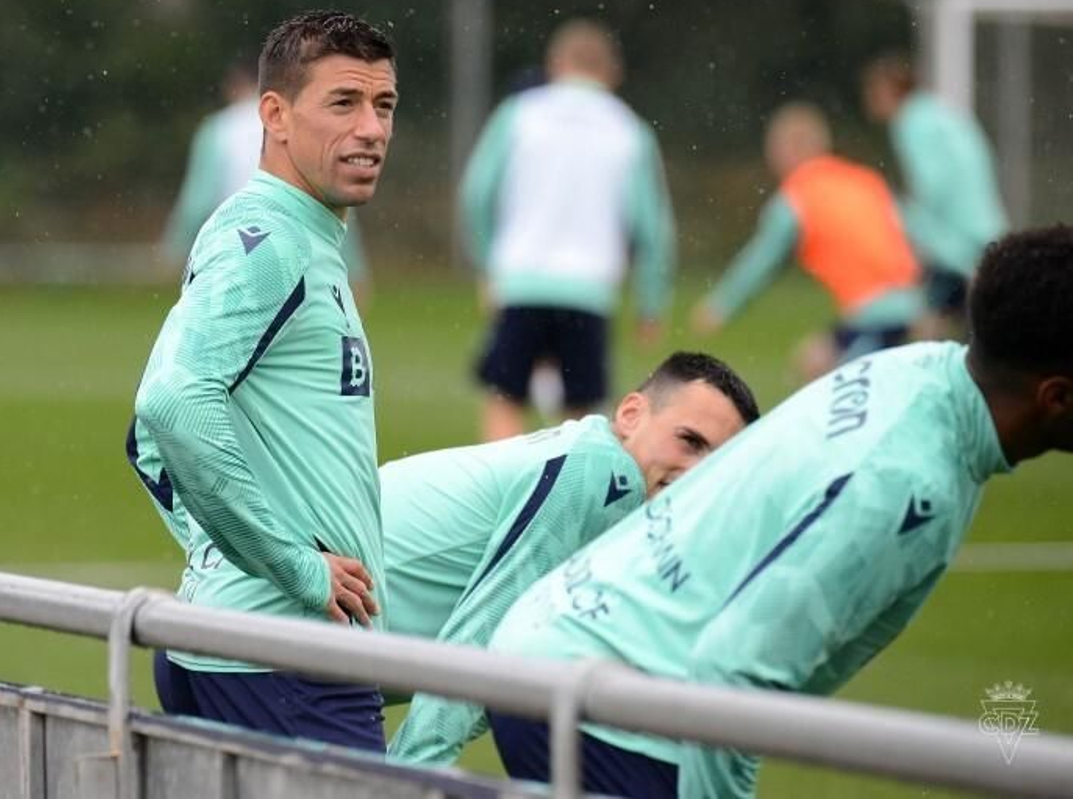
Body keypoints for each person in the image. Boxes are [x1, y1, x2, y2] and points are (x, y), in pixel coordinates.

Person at [481, 226, 1073, 799]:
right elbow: (734, 674)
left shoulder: (920, 370)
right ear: (1057, 397)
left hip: (563, 646)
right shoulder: (907, 484)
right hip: (606, 703)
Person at [128, 10, 397, 751]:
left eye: (384, 105)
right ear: (274, 114)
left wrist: (223, 548)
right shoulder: (270, 241)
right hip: (283, 660)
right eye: (343, 103)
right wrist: (289, 566)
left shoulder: (302, 235)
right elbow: (170, 405)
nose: (371, 128)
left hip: (255, 649)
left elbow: (147, 441)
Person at [385, 352, 760, 766]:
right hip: (320, 625)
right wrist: (411, 771)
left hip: (328, 627)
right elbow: (482, 635)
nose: (698, 473)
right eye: (689, 441)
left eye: (719, 462)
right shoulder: (600, 472)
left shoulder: (597, 465)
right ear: (631, 414)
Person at [460, 19, 675, 440]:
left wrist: (487, 266)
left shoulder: (520, 113)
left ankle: (504, 499)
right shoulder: (629, 130)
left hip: (521, 282)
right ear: (613, 72)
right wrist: (651, 303)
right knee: (578, 421)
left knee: (506, 399)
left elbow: (476, 194)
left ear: (555, 63)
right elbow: (653, 230)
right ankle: (567, 501)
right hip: (588, 291)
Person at [693, 103, 923, 381]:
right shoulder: (865, 180)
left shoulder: (797, 196)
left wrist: (721, 305)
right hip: (912, 305)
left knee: (850, 400)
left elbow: (762, 259)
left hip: (877, 317)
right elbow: (911, 232)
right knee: (815, 361)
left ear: (785, 150)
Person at [162, 57, 371, 299]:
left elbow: (197, 202)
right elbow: (333, 200)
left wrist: (176, 251)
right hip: (302, 246)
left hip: (236, 248)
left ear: (233, 84)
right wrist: (354, 265)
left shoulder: (218, 129)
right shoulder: (300, 125)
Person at [861, 52, 1007, 334]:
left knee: (930, 318)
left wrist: (910, 222)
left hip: (954, 242)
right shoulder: (939, 111)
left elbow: (932, 184)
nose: (870, 100)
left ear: (889, 90)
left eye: (873, 92)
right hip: (983, 226)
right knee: (976, 318)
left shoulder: (911, 121)